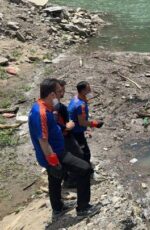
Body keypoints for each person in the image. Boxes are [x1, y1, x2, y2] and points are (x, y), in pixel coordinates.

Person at [28, 78, 99, 219]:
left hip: (52, 152)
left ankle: (58, 208)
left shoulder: (43, 106)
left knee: (54, 180)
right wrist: (54, 162)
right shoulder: (41, 112)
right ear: (52, 95)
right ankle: (83, 208)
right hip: (54, 153)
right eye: (59, 92)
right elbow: (43, 140)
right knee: (84, 169)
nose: (62, 94)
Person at [54, 80, 84, 188]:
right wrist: (65, 128)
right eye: (61, 90)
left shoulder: (56, 104)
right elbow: (54, 122)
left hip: (65, 134)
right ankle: (71, 180)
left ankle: (67, 177)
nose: (63, 92)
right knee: (77, 155)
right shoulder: (55, 106)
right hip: (64, 136)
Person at [68, 81, 104, 164]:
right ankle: (86, 168)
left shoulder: (75, 98)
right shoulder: (80, 105)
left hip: (73, 128)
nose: (90, 90)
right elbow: (82, 122)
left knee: (77, 148)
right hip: (77, 131)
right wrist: (95, 124)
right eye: (88, 89)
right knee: (85, 151)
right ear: (82, 90)